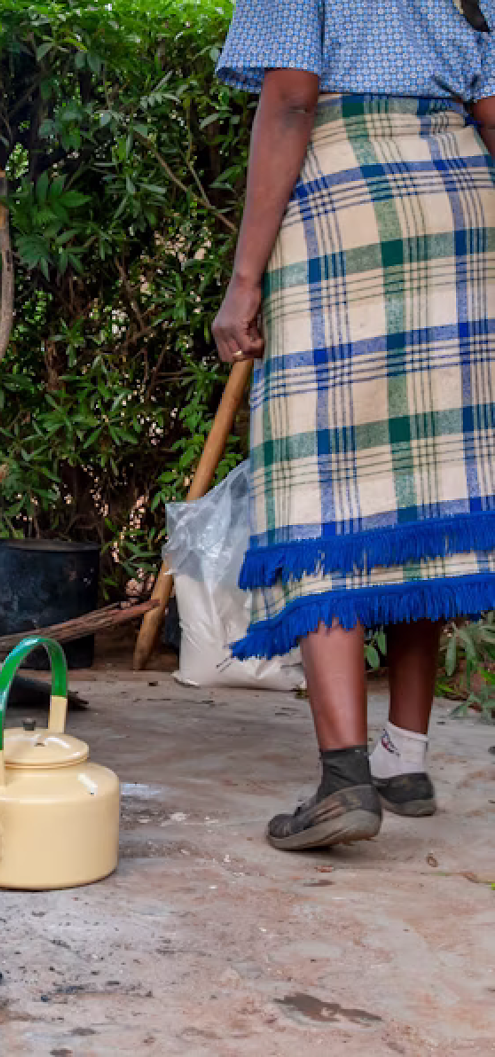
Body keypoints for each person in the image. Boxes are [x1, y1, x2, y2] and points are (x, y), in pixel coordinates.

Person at [211, 0, 495, 851]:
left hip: (347, 204)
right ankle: (405, 755)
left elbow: (293, 98)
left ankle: (345, 780)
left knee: (323, 489)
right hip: (462, 211)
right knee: (427, 486)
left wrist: (244, 277)